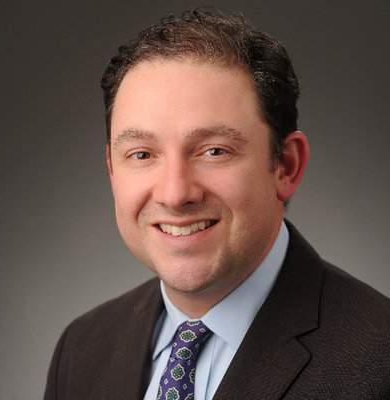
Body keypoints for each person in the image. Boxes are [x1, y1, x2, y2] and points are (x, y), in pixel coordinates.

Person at [44, 8, 390, 400]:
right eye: (142, 154)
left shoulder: (380, 360)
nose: (175, 194)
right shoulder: (82, 348)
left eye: (214, 151)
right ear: (112, 169)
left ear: (286, 166)